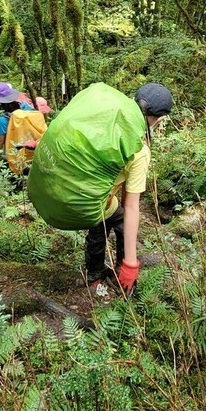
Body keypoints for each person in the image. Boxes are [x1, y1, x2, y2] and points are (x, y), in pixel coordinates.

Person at [27, 81, 173, 295]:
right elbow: (132, 206)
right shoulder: (139, 151)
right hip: (90, 204)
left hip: (70, 192)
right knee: (121, 220)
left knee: (102, 221)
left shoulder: (106, 119)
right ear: (160, 119)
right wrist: (132, 265)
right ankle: (122, 272)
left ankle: (94, 275)